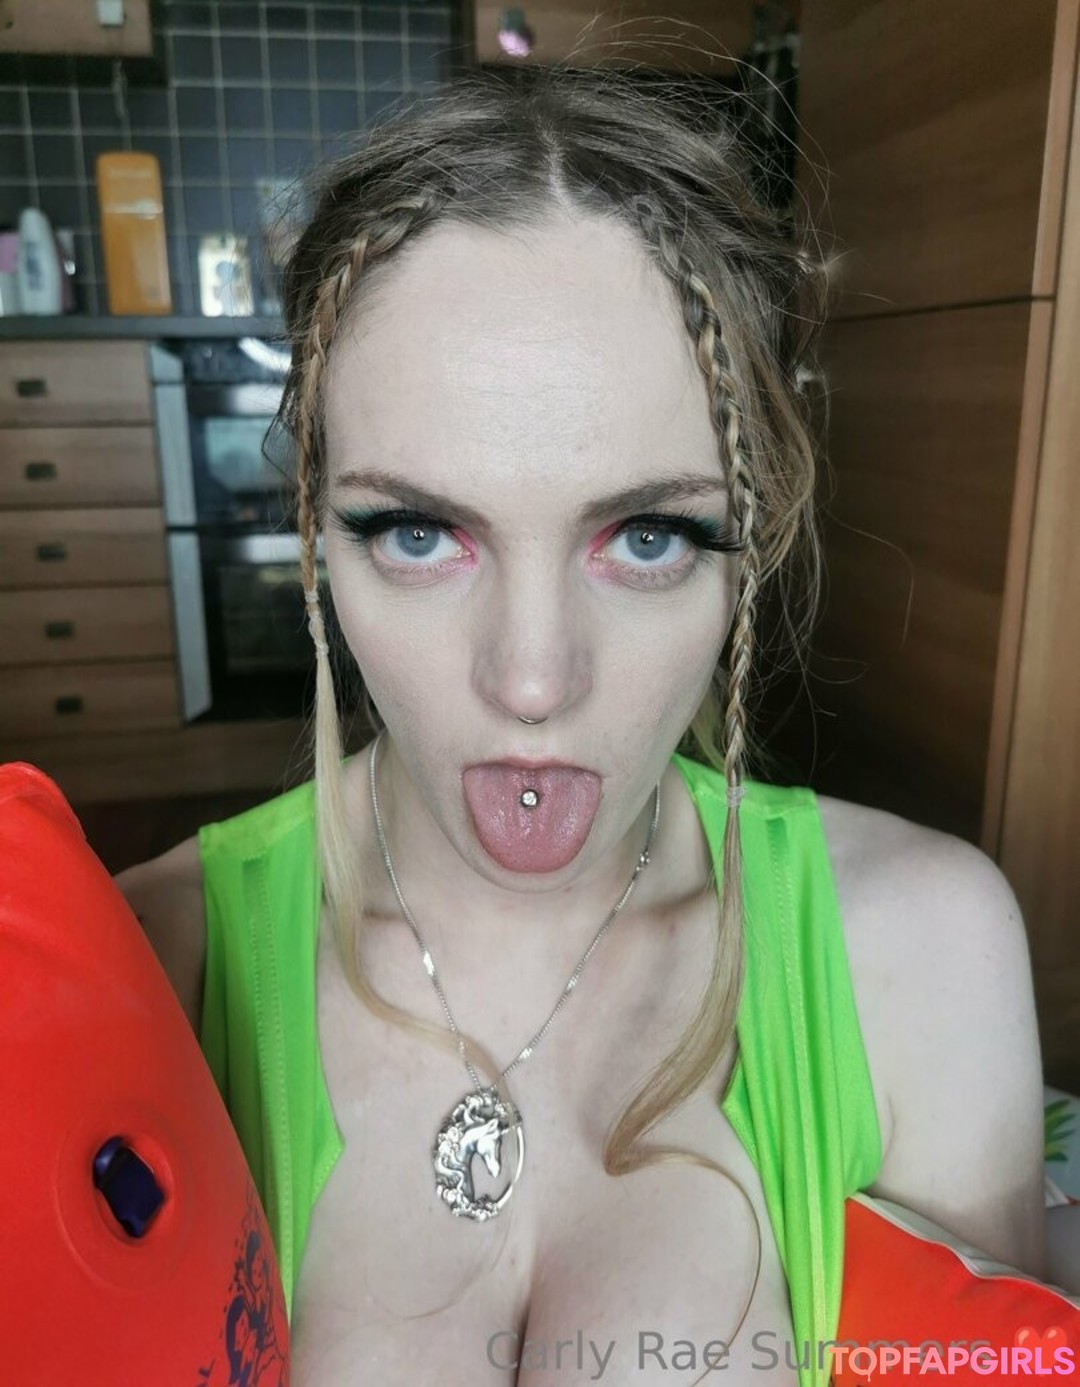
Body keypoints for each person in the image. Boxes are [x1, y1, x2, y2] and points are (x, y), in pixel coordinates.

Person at [116, 65, 1047, 1385]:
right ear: (317, 534)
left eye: (649, 536)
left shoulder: (923, 952)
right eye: (419, 533)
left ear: (753, 537)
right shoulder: (145, 970)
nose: (534, 680)